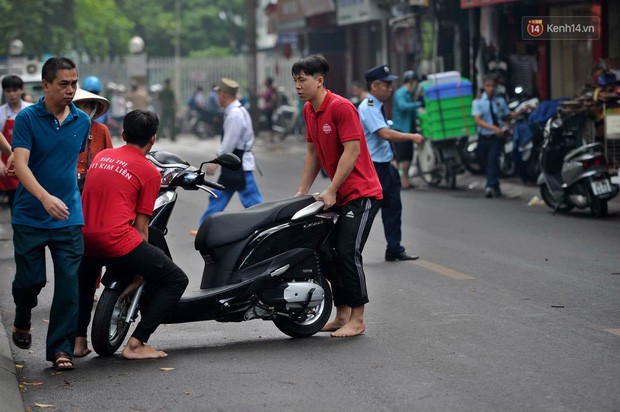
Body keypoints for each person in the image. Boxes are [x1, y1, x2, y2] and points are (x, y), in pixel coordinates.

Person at [77, 110, 188, 359]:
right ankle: (136, 344)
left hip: (83, 237)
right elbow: (141, 227)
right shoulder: (149, 172)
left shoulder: (103, 156)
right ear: (153, 139)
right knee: (177, 280)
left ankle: (78, 341)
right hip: (117, 241)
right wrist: (141, 272)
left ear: (124, 134)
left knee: (85, 284)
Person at [292, 55, 382, 338]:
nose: (297, 86)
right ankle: (341, 312)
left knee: (347, 251)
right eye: (295, 80)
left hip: (362, 193)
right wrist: (302, 193)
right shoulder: (309, 109)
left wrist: (331, 190)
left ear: (319, 81)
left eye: (302, 80)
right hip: (338, 194)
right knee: (325, 251)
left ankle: (358, 317)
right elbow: (313, 153)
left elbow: (352, 151)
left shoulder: (342, 107)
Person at [11, 57, 91, 371]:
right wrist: (44, 198)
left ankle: (61, 349)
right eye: (63, 84)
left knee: (70, 283)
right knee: (30, 282)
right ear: (46, 85)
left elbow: (71, 164)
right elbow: (21, 164)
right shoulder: (27, 119)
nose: (71, 90)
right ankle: (22, 317)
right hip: (30, 215)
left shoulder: (82, 121)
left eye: (74, 83)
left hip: (68, 217)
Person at [358, 65, 424, 262]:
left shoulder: (376, 105)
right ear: (374, 85)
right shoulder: (368, 107)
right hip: (374, 169)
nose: (390, 88)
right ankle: (351, 253)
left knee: (393, 207)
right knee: (367, 213)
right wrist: (411, 136)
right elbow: (384, 134)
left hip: (385, 166)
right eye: (386, 84)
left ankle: (394, 248)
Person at [195, 78, 263, 228]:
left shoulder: (235, 115)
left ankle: (266, 224)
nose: (217, 97)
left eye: (218, 93)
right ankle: (204, 226)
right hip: (235, 162)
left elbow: (229, 142)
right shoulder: (236, 111)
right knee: (219, 194)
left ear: (224, 94)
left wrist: (216, 161)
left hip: (238, 163)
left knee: (251, 199)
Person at [472, 74, 511, 198]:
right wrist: (494, 128)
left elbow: (507, 115)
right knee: (485, 162)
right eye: (488, 86)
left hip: (496, 138)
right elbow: (478, 120)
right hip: (484, 137)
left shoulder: (500, 101)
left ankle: (489, 186)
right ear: (484, 87)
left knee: (492, 160)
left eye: (493, 86)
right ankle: (496, 185)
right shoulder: (478, 102)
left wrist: (520, 111)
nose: (491, 88)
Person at [0, 75, 32, 209]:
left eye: (15, 90)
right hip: (8, 164)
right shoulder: (1, 113)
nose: (12, 94)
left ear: (21, 90)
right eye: (8, 91)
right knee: (15, 204)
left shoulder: (31, 110)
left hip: (30, 162)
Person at [73, 88, 114, 192]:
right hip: (68, 184)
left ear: (93, 109)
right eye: (76, 106)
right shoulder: (62, 129)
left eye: (86, 107)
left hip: (94, 184)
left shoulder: (101, 129)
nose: (81, 111)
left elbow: (110, 161)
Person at [391, 70, 422, 190]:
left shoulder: (409, 94)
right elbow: (403, 106)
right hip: (400, 130)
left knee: (408, 157)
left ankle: (405, 180)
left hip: (408, 130)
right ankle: (395, 180)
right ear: (412, 82)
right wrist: (418, 104)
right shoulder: (400, 93)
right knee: (400, 157)